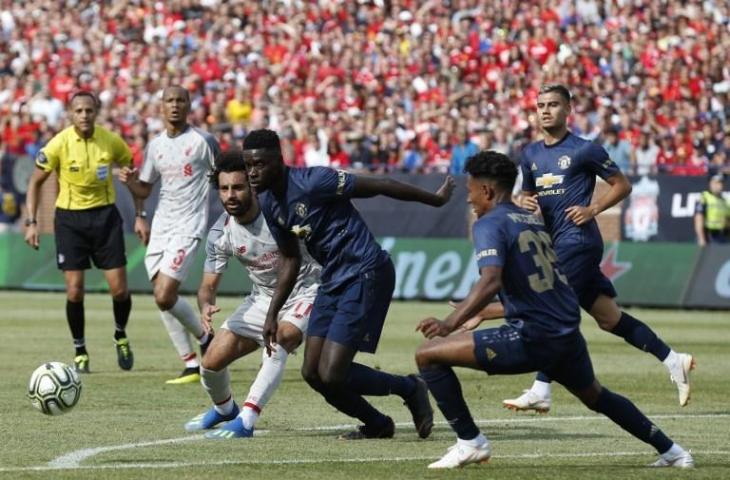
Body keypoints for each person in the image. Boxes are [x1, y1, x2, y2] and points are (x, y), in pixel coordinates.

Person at [415, 151, 693, 469]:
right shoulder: (531, 221)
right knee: (597, 397)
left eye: (471, 191)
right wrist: (485, 311)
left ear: (487, 191)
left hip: (532, 336)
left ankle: (470, 442)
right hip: (566, 334)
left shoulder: (489, 224)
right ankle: (673, 451)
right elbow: (548, 287)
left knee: (428, 354)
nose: (469, 200)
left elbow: (490, 280)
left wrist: (451, 321)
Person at [243, 128, 453, 440]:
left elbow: (380, 185)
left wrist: (434, 200)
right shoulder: (269, 204)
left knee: (332, 372)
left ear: (278, 160)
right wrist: (273, 314)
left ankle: (410, 388)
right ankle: (377, 424)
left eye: (259, 164)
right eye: (248, 165)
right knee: (313, 373)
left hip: (365, 271)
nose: (253, 172)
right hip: (332, 280)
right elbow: (290, 259)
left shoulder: (314, 181)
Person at [504, 84, 694, 411]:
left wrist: (593, 209)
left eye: (553, 105)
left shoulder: (584, 150)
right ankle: (672, 359)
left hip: (579, 242)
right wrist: (523, 201)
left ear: (568, 111)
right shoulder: (530, 155)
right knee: (609, 319)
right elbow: (527, 198)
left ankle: (541, 388)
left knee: (551, 307)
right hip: (554, 243)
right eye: (540, 105)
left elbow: (622, 185)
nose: (545, 110)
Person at [184, 150, 320, 438]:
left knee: (280, 338)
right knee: (210, 361)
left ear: (252, 186)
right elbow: (207, 286)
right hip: (262, 298)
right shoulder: (221, 232)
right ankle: (224, 410)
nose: (230, 195)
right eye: (224, 189)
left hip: (306, 291)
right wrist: (206, 305)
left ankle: (246, 419)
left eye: (238, 187)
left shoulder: (278, 212)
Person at [24, 91, 134, 373]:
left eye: (89, 110)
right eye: (79, 110)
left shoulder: (110, 141)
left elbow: (129, 165)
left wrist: (133, 189)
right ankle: (80, 350)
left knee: (120, 290)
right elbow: (35, 183)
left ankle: (120, 334)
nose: (84, 115)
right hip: (70, 221)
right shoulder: (58, 144)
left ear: (96, 112)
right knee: (74, 291)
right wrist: (31, 222)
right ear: (70, 114)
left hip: (105, 217)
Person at [120, 86, 219, 384]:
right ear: (161, 107)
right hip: (161, 226)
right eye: (169, 101)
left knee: (164, 294)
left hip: (189, 226)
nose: (174, 105)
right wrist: (131, 186)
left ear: (189, 106)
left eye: (180, 101)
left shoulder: (204, 141)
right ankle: (191, 362)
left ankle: (205, 339)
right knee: (163, 297)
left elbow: (225, 177)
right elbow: (145, 189)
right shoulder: (156, 146)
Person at [694, 174, 729, 245]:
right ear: (710, 184)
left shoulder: (725, 201)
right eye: (716, 183)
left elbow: (727, 220)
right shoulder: (704, 197)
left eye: (720, 183)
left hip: (722, 236)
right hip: (708, 235)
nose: (719, 186)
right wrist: (701, 238)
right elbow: (698, 218)